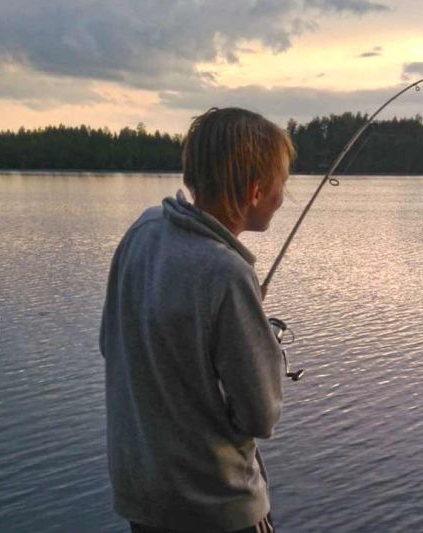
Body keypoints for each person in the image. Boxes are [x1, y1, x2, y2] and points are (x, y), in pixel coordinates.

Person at [99, 107, 295, 533]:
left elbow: (109, 343)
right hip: (217, 509)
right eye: (282, 183)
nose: (284, 196)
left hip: (143, 498)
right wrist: (270, 350)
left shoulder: (143, 232)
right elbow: (262, 415)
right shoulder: (227, 273)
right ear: (255, 191)